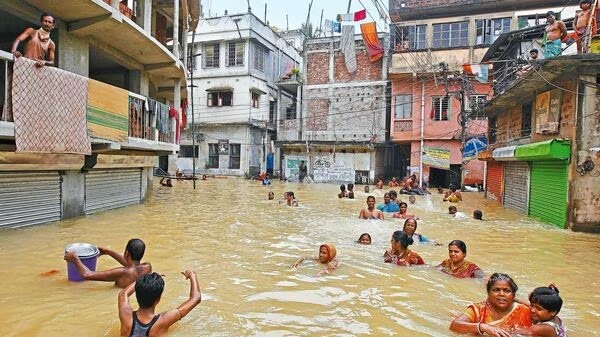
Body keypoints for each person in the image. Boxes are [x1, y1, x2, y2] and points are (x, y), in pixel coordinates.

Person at [118, 271, 202, 337]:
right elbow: (196, 298)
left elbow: (123, 293)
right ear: (158, 299)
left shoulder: (126, 315)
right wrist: (192, 275)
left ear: (136, 295)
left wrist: (144, 280)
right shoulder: (163, 320)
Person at [450, 273, 532, 335]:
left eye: (507, 291)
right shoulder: (479, 309)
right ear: (488, 293)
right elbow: (454, 326)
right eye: (496, 290)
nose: (501, 294)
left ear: (513, 295)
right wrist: (483, 327)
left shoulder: (525, 311)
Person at [63, 238, 152, 288]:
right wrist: (108, 251)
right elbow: (131, 265)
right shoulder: (147, 267)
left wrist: (75, 259)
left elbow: (87, 275)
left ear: (127, 253)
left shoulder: (122, 272)